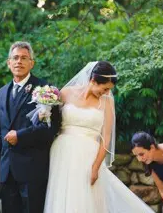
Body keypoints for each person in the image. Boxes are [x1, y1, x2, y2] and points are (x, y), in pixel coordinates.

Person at [43, 61, 154, 213]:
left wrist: (95, 167)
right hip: (62, 152)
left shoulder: (107, 102)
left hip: (88, 155)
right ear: (94, 80)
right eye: (105, 88)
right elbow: (52, 122)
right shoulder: (66, 93)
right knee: (62, 194)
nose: (107, 92)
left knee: (86, 198)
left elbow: (106, 138)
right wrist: (43, 111)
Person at [0, 41, 60, 213]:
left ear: (31, 63)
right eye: (15, 58)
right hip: (7, 170)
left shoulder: (45, 90)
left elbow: (50, 128)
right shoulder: (2, 92)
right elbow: (0, 132)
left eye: (24, 58)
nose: (19, 61)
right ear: (9, 63)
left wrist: (20, 135)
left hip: (32, 170)